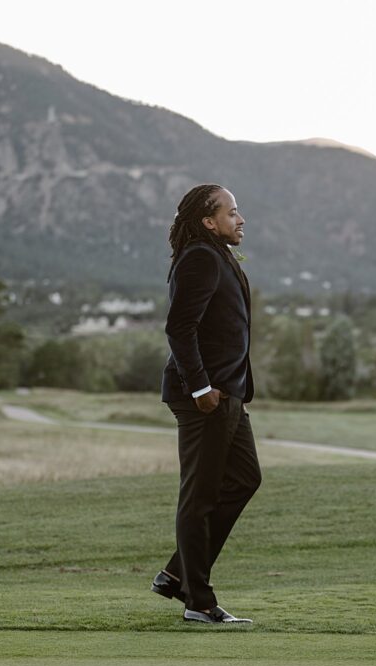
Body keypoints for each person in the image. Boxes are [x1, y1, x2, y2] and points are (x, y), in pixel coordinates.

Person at [151, 184, 260, 624]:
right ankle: (198, 600)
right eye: (232, 212)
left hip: (228, 392)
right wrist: (200, 388)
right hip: (204, 398)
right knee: (198, 497)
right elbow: (180, 328)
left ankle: (178, 574)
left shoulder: (216, 254)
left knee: (244, 479)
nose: (241, 219)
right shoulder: (198, 257)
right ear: (208, 221)